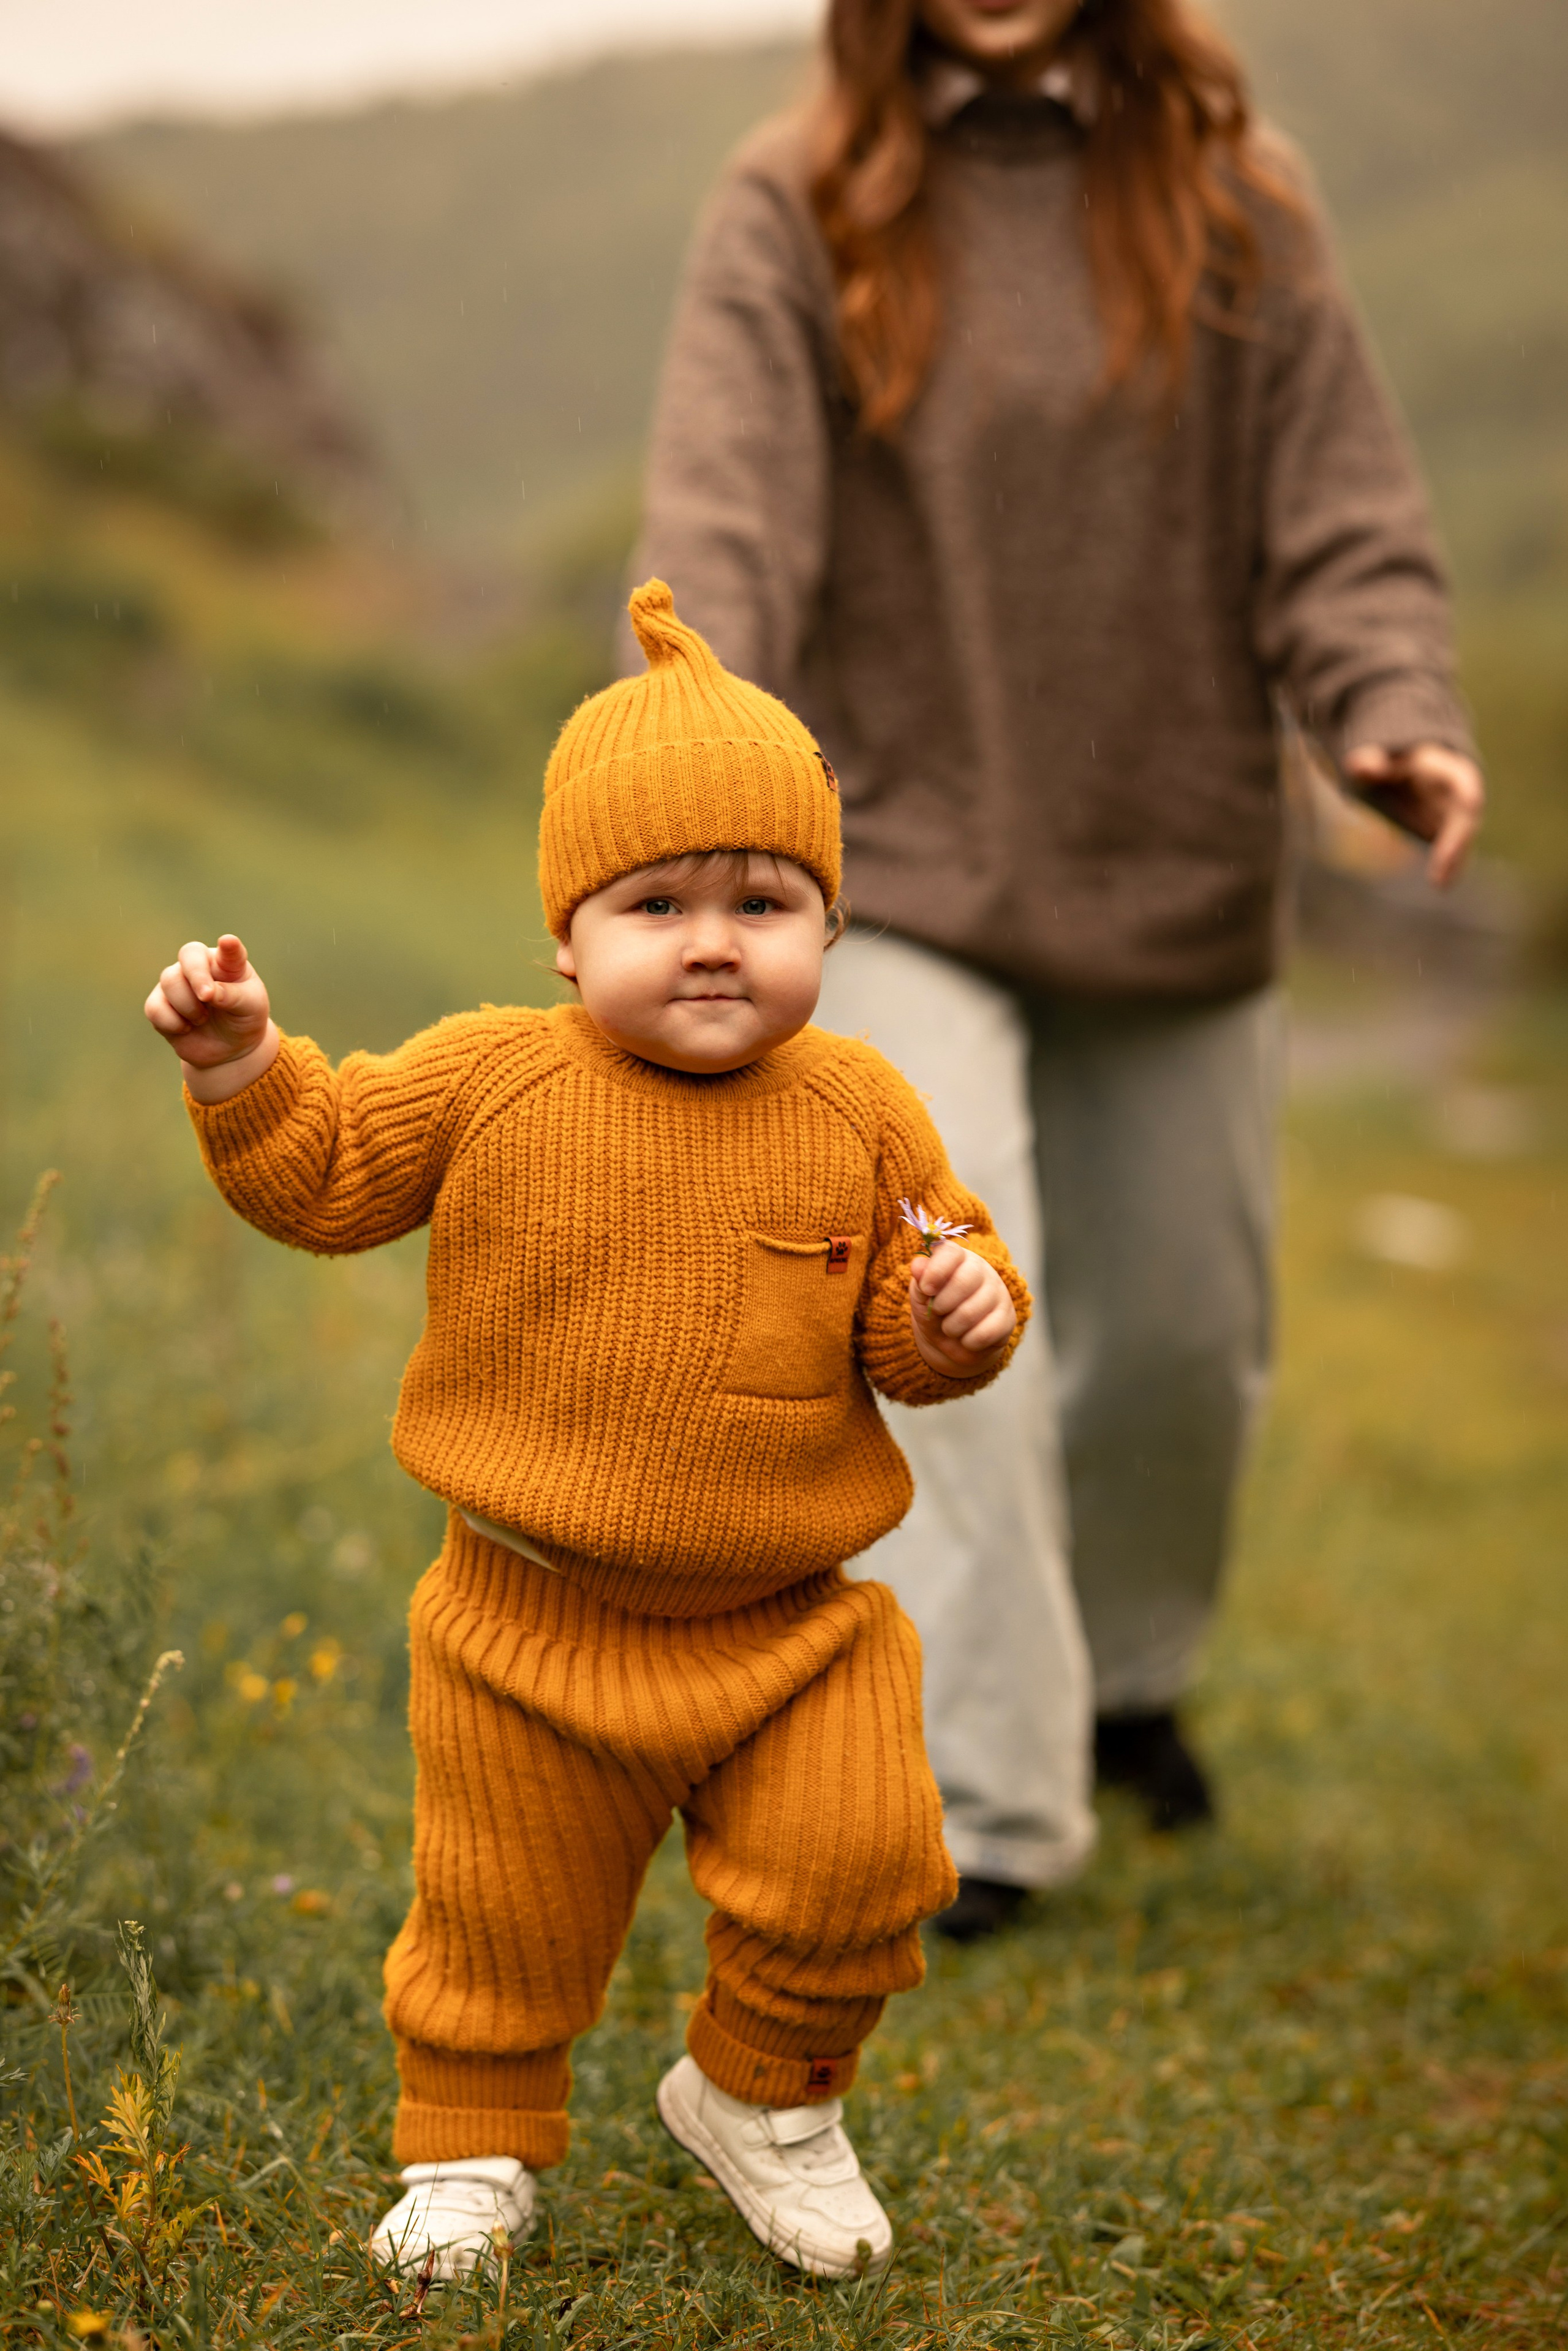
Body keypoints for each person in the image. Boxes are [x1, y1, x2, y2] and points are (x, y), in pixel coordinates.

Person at [634, 0, 1485, 1937]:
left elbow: (1340, 525)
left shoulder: (1235, 202)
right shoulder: (797, 204)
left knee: (1185, 1342)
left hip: (1172, 858)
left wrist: (1392, 708)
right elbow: (727, 525)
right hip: (901, 856)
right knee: (952, 1289)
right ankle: (988, 1808)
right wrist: (687, 768)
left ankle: (1127, 1685)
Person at [143, 581, 1028, 2281]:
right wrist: (244, 1070)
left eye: (766, 899)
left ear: (827, 930)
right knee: (500, 1920)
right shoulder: (494, 1081)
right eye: (658, 901)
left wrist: (956, 1314)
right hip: (526, 1624)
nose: (714, 937)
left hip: (788, 1624)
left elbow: (925, 1296)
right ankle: (472, 2151)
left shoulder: (860, 1110)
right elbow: (324, 1176)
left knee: (861, 1855)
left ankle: (765, 2099)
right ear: (569, 933)